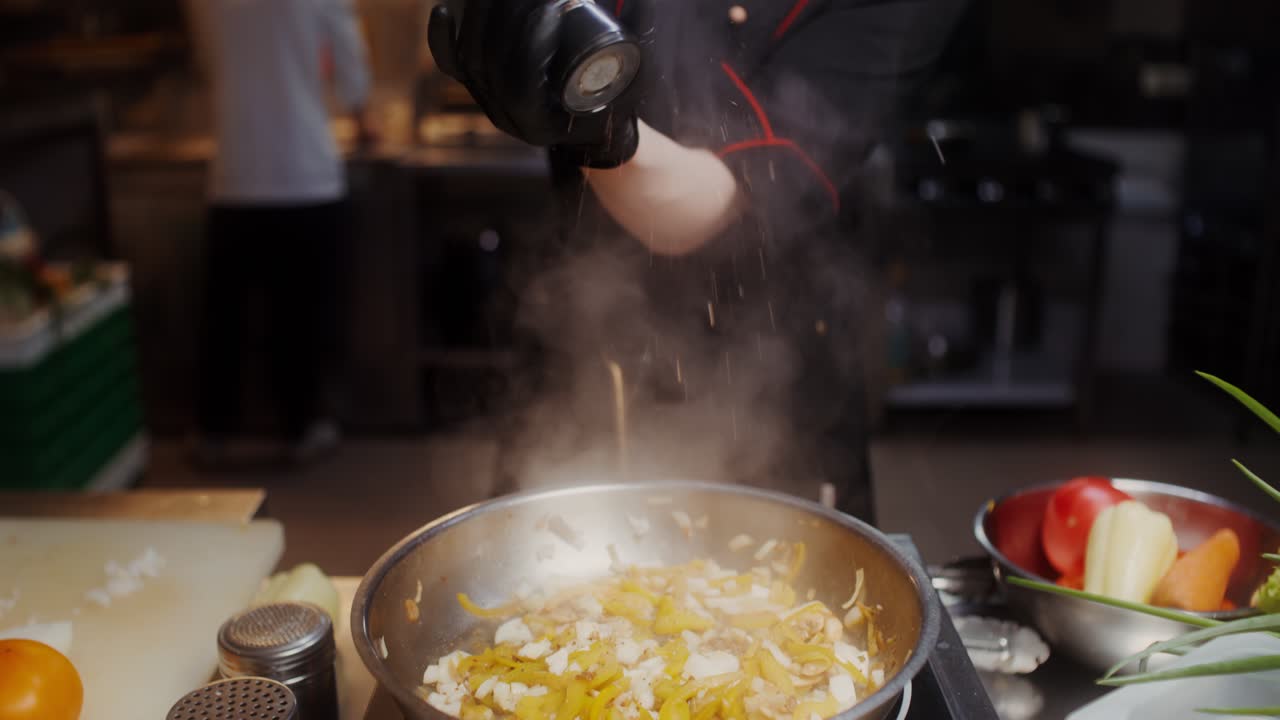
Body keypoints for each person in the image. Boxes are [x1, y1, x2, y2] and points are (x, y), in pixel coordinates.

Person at [433, 0, 965, 519]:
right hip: (578, 344)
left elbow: (689, 207)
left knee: (787, 595)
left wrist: (582, 113)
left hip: (770, 395)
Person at [186, 0, 375, 465]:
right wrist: (364, 120)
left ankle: (213, 429)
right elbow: (351, 65)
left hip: (233, 173)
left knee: (226, 317)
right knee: (302, 315)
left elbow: (208, 60)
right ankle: (301, 426)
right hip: (305, 171)